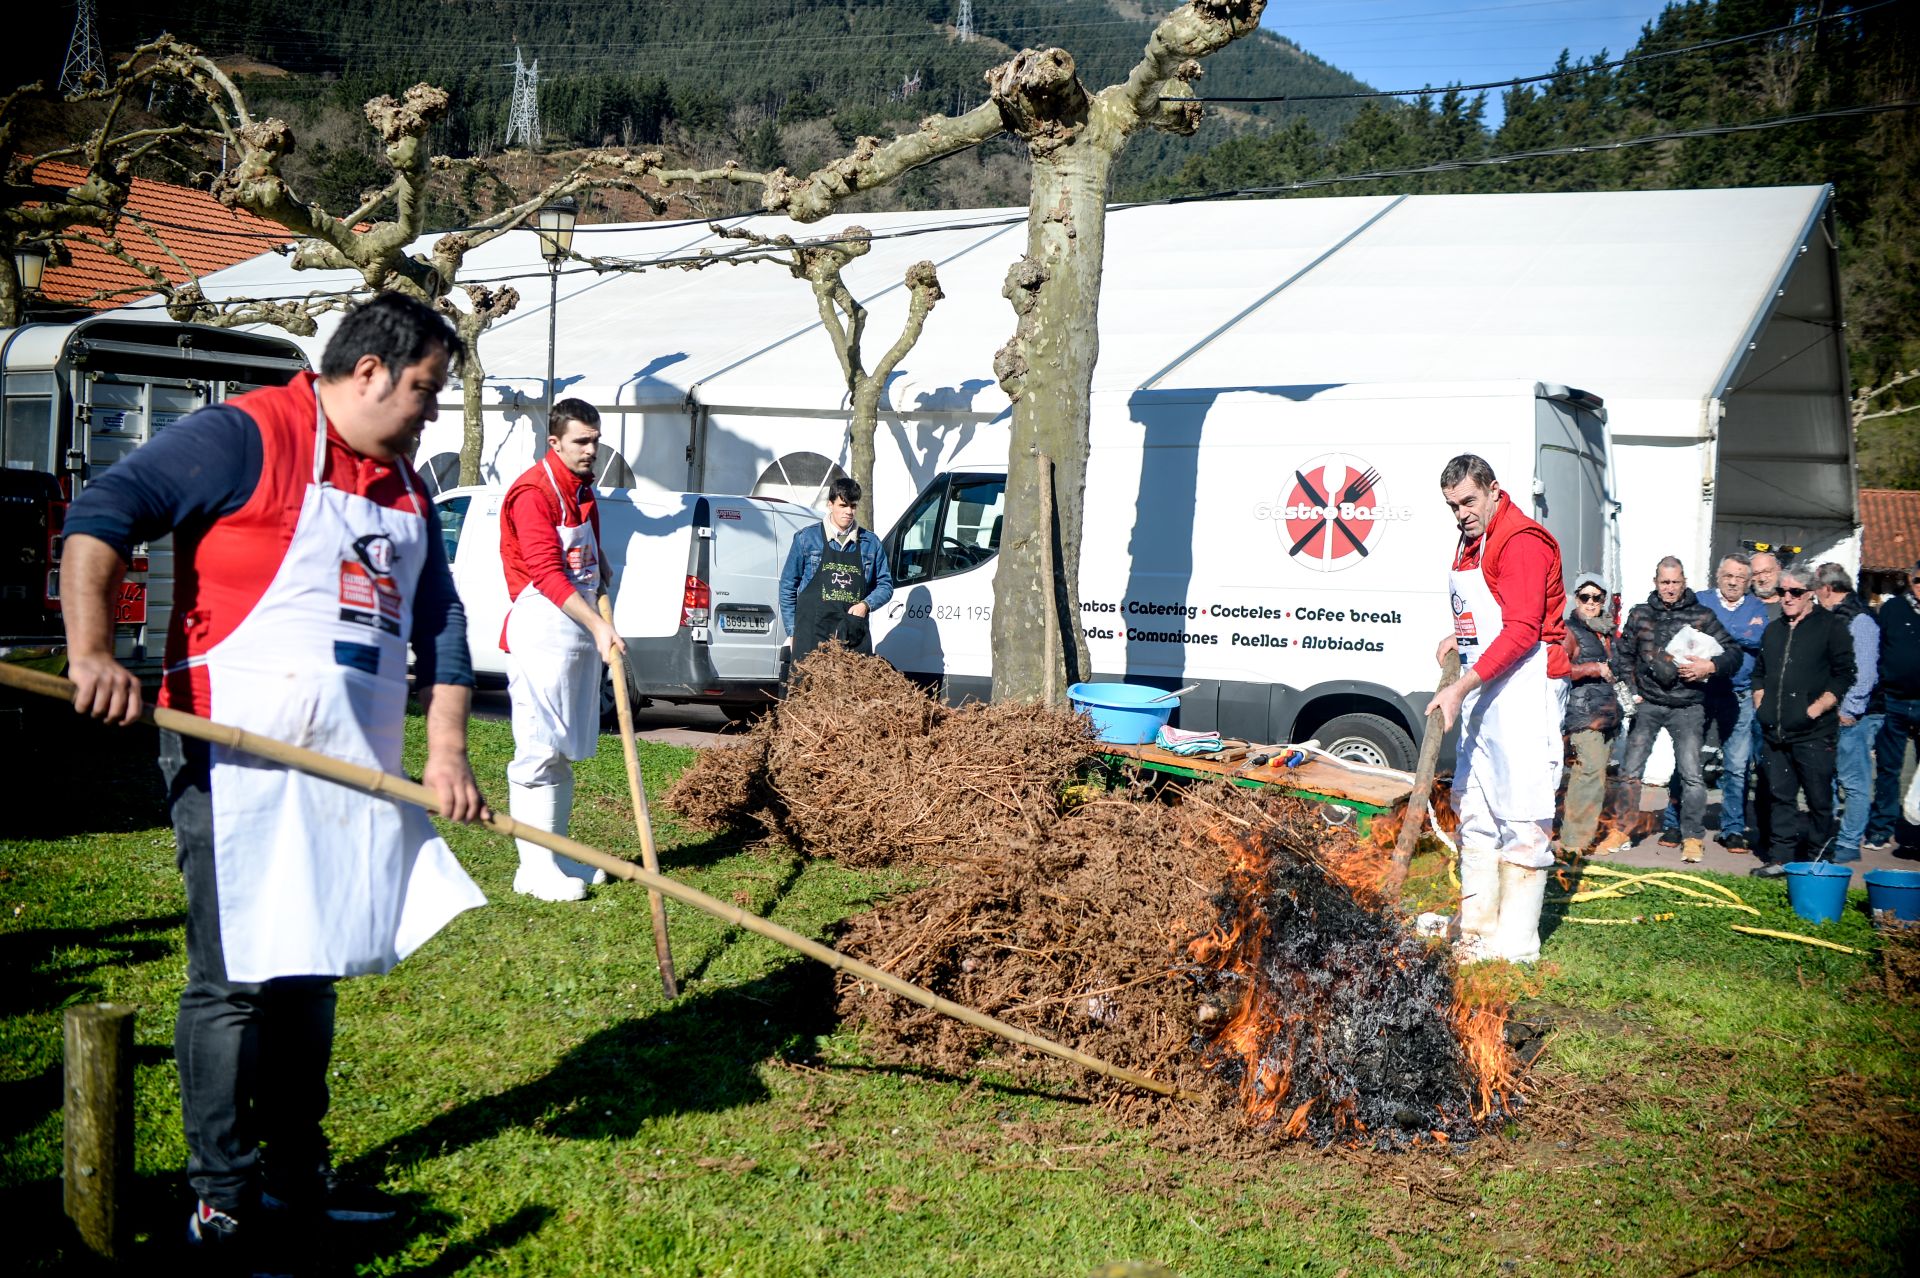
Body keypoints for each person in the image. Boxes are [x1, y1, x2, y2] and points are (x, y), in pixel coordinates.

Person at [59, 293, 489, 1255]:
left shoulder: (406, 483)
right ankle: (222, 1199)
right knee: (237, 977)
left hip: (350, 764)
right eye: (424, 390)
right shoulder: (243, 436)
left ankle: (297, 1179)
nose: (429, 412)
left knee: (312, 967)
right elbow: (103, 515)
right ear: (369, 372)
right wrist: (92, 652)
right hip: (232, 749)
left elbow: (444, 623)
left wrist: (448, 752)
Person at [1426, 454, 1569, 964]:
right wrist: (1459, 637)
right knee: (1476, 808)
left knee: (1523, 818)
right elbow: (1490, 614)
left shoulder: (1522, 541)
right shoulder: (1471, 543)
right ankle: (1478, 929)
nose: (1461, 513)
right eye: (1452, 505)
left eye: (1468, 500)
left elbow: (1523, 629)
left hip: (1525, 691)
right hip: (1488, 688)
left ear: (1492, 490)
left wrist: (1461, 686)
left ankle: (1517, 945)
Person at [500, 399, 626, 902]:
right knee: (535, 749)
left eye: (595, 440)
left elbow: (585, 555)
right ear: (554, 442)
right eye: (582, 441)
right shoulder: (532, 493)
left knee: (560, 749)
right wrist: (598, 625)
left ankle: (554, 852)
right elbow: (546, 571)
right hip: (539, 634)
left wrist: (603, 567)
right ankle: (532, 868)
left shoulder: (582, 490)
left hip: (571, 634)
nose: (592, 449)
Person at [1597, 558, 1741, 862]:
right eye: (1665, 582)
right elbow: (1623, 656)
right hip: (1647, 704)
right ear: (1656, 582)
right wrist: (1632, 692)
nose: (1670, 588)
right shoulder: (1640, 614)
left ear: (1684, 581)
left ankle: (1692, 836)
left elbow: (1734, 654)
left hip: (1688, 706)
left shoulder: (1702, 615)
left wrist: (1710, 665)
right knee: (1630, 772)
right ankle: (1622, 830)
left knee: (1691, 774)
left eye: (1676, 582)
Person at [1749, 564, 1857, 876]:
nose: (1787, 597)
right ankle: (1780, 859)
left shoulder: (1830, 626)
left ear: (1810, 593)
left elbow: (1844, 673)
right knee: (1780, 797)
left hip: (1814, 731)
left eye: (1795, 591)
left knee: (1818, 799)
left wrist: (1818, 707)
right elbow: (1759, 671)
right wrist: (1760, 701)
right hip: (1775, 730)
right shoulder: (1773, 629)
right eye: (1782, 591)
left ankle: (1818, 860)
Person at [1656, 554, 1768, 850]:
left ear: (1749, 582)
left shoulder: (1758, 607)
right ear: (1718, 576)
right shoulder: (1700, 599)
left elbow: (1758, 638)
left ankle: (1732, 828)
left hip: (1739, 695)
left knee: (1736, 764)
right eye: (1728, 575)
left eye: (1741, 578)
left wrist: (1713, 635)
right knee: (1689, 760)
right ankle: (1673, 823)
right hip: (1698, 693)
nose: (1733, 582)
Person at [778, 476, 894, 667]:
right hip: (810, 637)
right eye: (843, 505)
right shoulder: (806, 539)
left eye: (853, 506)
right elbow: (787, 586)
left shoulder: (870, 543)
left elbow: (885, 585)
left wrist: (866, 604)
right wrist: (792, 632)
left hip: (852, 637)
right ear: (830, 504)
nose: (849, 512)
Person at [1814, 562, 1883, 863]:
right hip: (1828, 712)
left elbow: (1866, 673)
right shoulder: (1832, 617)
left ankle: (1848, 843)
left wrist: (1849, 710)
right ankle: (1828, 839)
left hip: (1848, 715)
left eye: (1815, 588)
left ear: (1827, 589)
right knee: (1826, 779)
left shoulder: (1860, 620)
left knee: (1854, 781)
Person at [1557, 572, 1621, 856]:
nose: (1591, 603)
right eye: (1585, 597)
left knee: (1595, 776)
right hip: (1582, 715)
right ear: (1576, 599)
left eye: (1597, 598)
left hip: (1606, 714)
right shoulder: (1569, 630)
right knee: (1588, 774)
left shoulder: (1606, 631)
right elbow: (1557, 668)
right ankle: (1572, 843)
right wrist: (1592, 669)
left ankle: (1580, 837)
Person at [1865, 559, 1920, 854]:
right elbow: (1877, 651)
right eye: (1919, 580)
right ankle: (1881, 829)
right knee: (1888, 768)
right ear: (1911, 581)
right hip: (1895, 700)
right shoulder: (1892, 609)